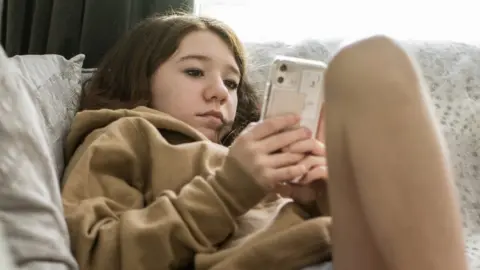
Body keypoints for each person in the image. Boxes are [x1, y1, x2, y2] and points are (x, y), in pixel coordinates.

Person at [61, 13, 468, 270]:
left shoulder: (241, 152)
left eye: (232, 82)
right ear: (139, 77)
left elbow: (301, 228)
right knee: (368, 66)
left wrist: (318, 198)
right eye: (194, 72)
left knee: (373, 65)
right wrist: (229, 189)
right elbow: (95, 255)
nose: (221, 92)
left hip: (330, 250)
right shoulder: (123, 135)